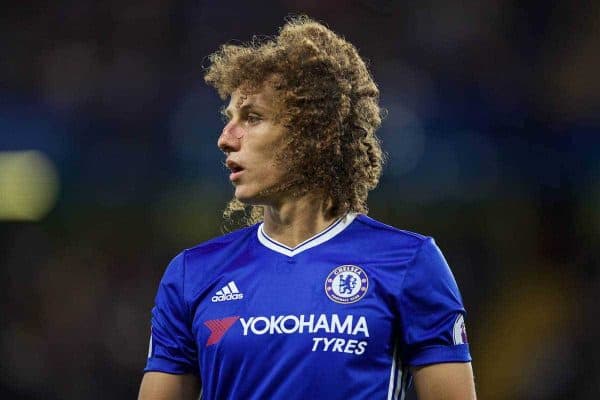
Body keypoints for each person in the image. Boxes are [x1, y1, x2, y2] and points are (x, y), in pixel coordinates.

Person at [138, 16, 476, 400]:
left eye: (252, 118)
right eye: (228, 119)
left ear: (312, 134)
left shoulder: (409, 262)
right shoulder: (192, 275)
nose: (225, 139)